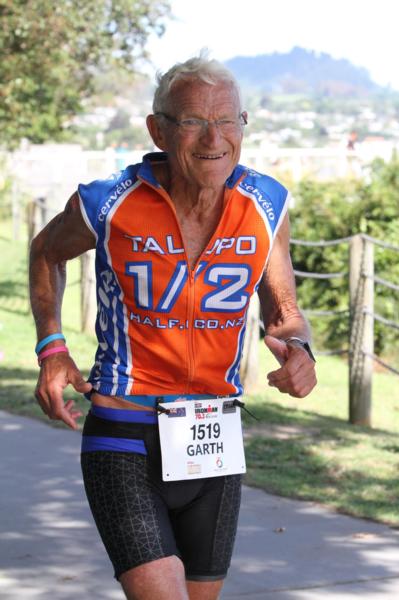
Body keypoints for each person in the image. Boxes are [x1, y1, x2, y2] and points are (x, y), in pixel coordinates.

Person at [29, 55, 317, 600]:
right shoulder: (108, 202)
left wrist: (300, 351)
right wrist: (52, 347)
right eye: (193, 121)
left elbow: (285, 313)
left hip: (215, 439)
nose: (215, 137)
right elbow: (46, 251)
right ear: (158, 130)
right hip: (124, 432)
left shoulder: (266, 204)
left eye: (229, 120)